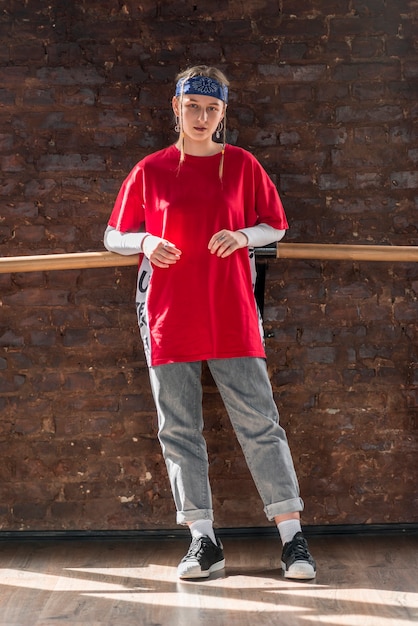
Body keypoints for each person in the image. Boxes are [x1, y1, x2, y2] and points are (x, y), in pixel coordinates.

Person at [104, 65, 316, 581]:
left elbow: (277, 225)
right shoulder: (150, 170)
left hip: (230, 309)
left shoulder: (242, 165)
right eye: (193, 107)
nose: (202, 117)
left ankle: (293, 540)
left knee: (260, 423)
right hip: (167, 313)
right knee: (178, 427)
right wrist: (145, 242)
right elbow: (114, 234)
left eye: (212, 109)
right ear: (176, 108)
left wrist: (245, 236)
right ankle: (203, 540)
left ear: (223, 113)